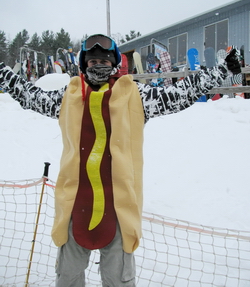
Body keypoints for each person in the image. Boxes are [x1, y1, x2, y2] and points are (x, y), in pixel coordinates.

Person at [0, 34, 241, 287]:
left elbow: (178, 95)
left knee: (118, 282)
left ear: (114, 63)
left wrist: (220, 71)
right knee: (68, 279)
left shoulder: (134, 96)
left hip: (118, 210)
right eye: (92, 62)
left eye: (103, 61)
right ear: (84, 64)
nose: (97, 66)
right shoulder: (68, 97)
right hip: (74, 209)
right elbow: (31, 97)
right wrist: (5, 74)